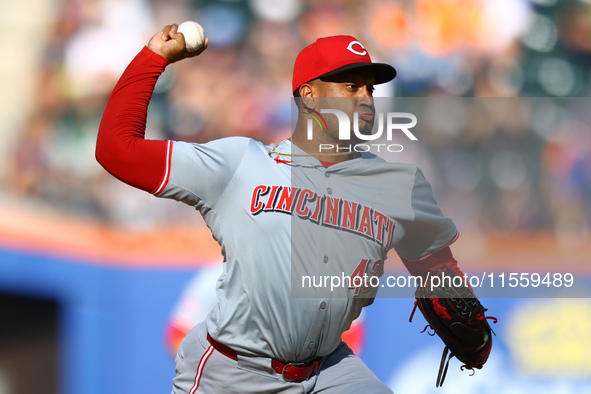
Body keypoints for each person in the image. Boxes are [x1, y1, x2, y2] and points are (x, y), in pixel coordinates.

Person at [96, 24, 488, 393]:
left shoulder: (399, 186)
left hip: (327, 370)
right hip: (233, 369)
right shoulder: (240, 164)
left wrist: (449, 288)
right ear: (310, 94)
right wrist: (152, 59)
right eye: (350, 86)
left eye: (369, 89)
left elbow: (436, 265)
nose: (365, 98)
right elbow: (116, 150)